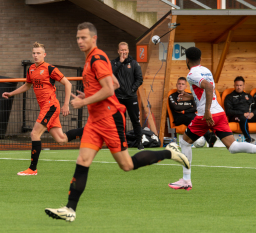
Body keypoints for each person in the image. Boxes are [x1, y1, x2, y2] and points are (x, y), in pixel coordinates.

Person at [44, 22, 190, 222]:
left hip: (110, 119)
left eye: (83, 37)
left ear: (94, 38)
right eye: (78, 38)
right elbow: (115, 82)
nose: (79, 41)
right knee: (82, 161)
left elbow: (110, 89)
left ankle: (169, 152)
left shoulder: (96, 58)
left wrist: (83, 101)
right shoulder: (92, 59)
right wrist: (89, 92)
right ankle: (70, 209)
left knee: (127, 165)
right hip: (96, 121)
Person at [168, 47, 256, 191]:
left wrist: (207, 111)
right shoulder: (206, 71)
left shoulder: (191, 74)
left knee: (184, 142)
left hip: (206, 115)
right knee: (233, 147)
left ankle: (186, 180)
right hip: (219, 113)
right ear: (201, 59)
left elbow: (209, 88)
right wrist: (192, 97)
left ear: (187, 60)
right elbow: (205, 92)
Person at [2, 42, 83, 176]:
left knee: (34, 134)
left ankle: (32, 169)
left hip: (51, 106)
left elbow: (67, 83)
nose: (36, 55)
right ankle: (92, 131)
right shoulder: (31, 69)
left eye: (38, 53)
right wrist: (11, 94)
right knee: (61, 140)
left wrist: (66, 104)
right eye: (34, 53)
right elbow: (27, 86)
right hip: (46, 108)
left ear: (44, 54)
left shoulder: (50, 68)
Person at [111, 42, 144, 150]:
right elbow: (110, 75)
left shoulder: (134, 63)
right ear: (118, 51)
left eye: (125, 50)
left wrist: (132, 89)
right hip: (118, 98)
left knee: (135, 120)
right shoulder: (114, 63)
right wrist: (120, 63)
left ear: (128, 50)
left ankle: (139, 142)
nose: (123, 52)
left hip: (131, 97)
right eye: (121, 50)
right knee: (120, 121)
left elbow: (139, 79)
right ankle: (122, 143)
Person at [169, 77, 217, 147]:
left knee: (200, 118)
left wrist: (183, 111)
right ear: (176, 85)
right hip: (178, 118)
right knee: (194, 118)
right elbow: (175, 107)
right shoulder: (172, 96)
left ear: (186, 86)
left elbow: (195, 108)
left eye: (182, 84)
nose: (180, 85)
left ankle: (209, 139)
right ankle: (209, 137)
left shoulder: (189, 96)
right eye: (179, 84)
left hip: (189, 115)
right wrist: (189, 107)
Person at [224, 76, 256, 143]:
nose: (239, 87)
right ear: (234, 85)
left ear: (244, 86)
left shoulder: (248, 96)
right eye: (237, 85)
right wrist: (243, 114)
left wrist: (252, 113)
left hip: (249, 116)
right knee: (242, 117)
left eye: (240, 85)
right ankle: (248, 138)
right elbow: (228, 111)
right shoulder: (229, 97)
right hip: (236, 116)